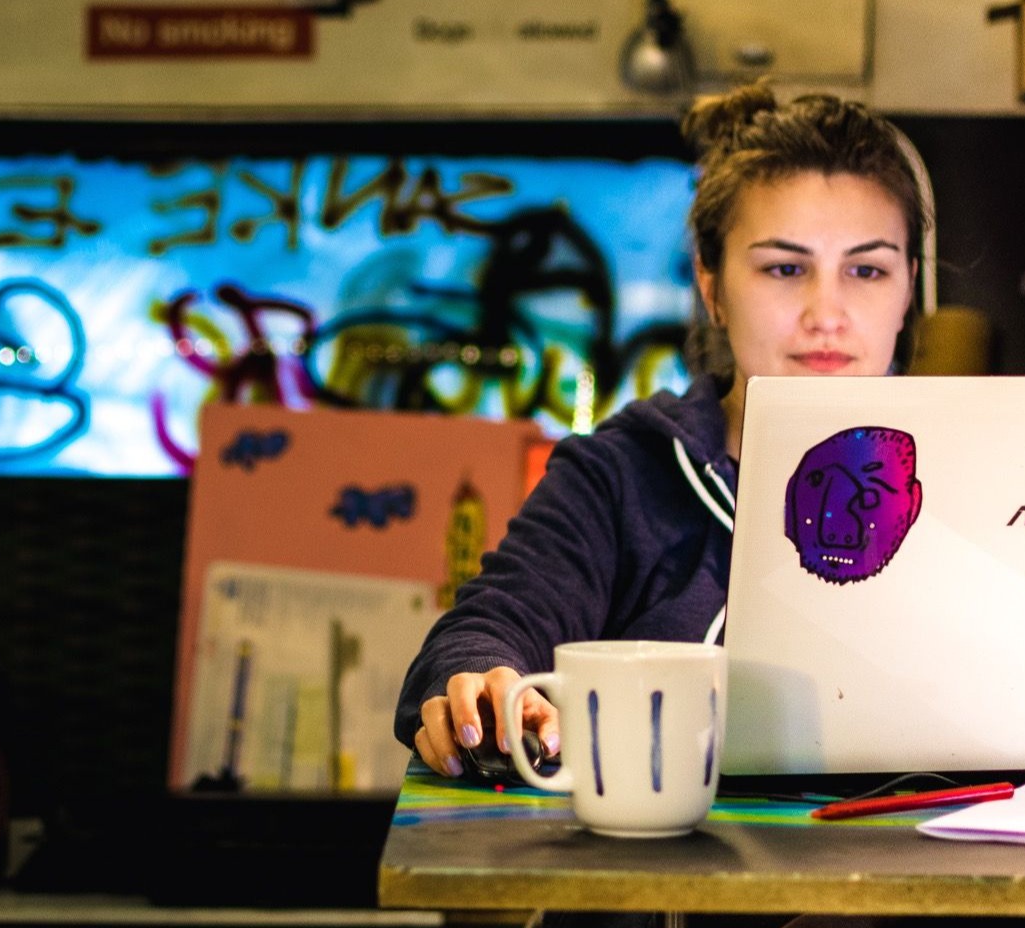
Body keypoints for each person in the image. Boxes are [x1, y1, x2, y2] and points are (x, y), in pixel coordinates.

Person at [394, 78, 928, 778]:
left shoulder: (985, 474)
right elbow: (490, 626)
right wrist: (482, 683)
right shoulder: (618, 474)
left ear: (909, 287)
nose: (825, 312)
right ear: (712, 288)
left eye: (866, 269)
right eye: (784, 267)